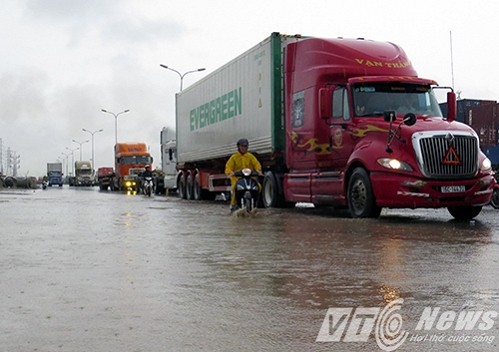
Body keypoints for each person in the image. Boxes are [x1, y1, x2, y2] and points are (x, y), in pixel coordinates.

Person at [225, 138, 262, 212]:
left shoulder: (250, 156)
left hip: (250, 177)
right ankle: (233, 204)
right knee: (234, 187)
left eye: (245, 146)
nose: (244, 148)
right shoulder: (234, 157)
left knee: (259, 186)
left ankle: (257, 202)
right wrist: (230, 173)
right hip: (237, 178)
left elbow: (257, 164)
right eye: (242, 146)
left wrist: (258, 171)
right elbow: (228, 167)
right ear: (238, 146)